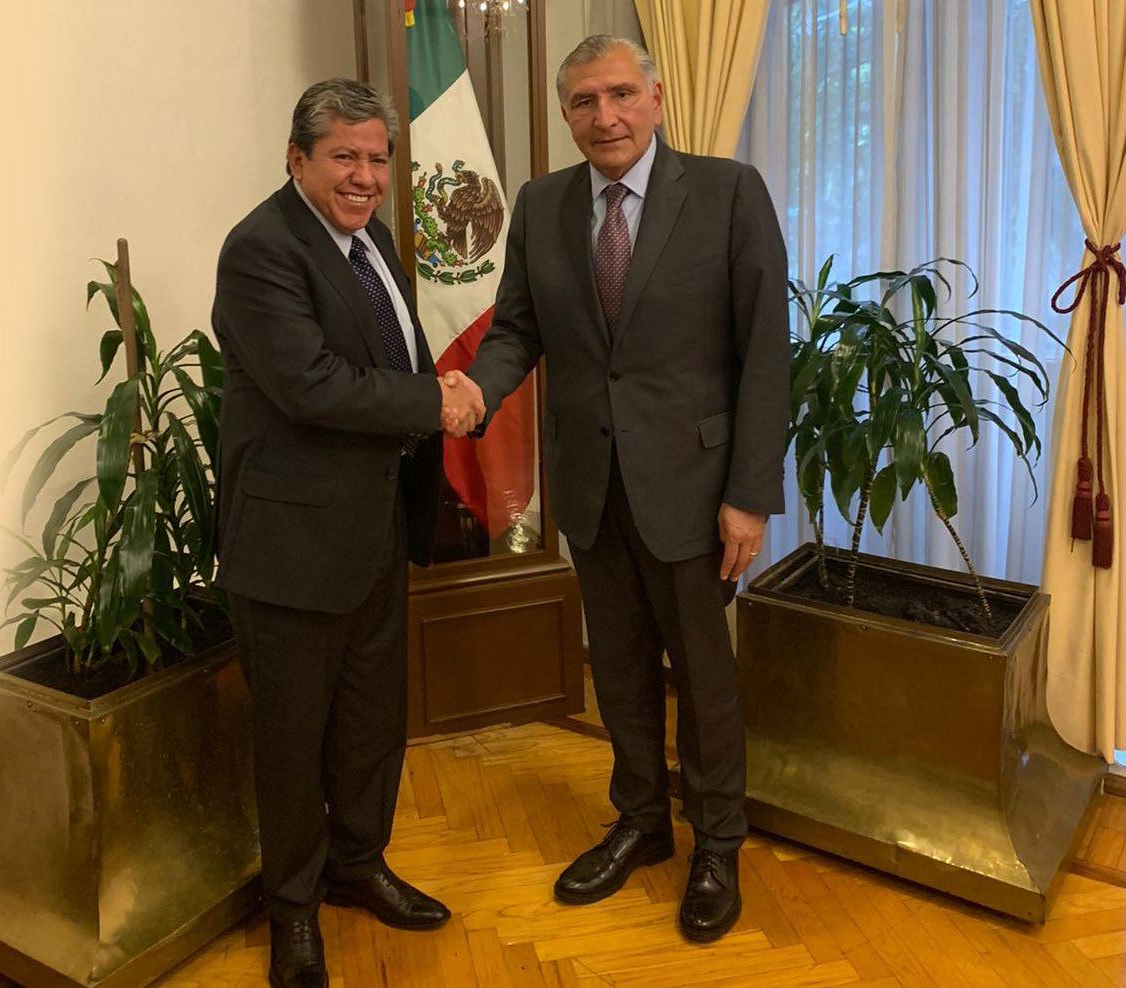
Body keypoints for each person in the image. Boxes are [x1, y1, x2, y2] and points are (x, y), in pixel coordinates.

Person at [452, 35, 790, 943]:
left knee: (703, 680)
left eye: (620, 95)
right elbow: (517, 329)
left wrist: (750, 495)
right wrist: (478, 390)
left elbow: (765, 353)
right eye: (584, 101)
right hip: (592, 488)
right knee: (621, 668)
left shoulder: (727, 193)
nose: (604, 117)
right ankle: (641, 820)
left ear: (657, 97)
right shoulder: (540, 205)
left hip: (697, 491)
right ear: (566, 113)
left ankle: (717, 842)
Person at [212, 78, 484, 988]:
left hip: (373, 531)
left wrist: (440, 398)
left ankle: (359, 864)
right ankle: (293, 910)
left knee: (371, 721)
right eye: (344, 157)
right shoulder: (260, 249)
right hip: (290, 549)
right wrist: (436, 402)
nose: (365, 176)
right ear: (297, 159)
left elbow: (388, 356)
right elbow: (310, 383)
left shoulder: (371, 243)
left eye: (377, 158)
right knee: (293, 741)